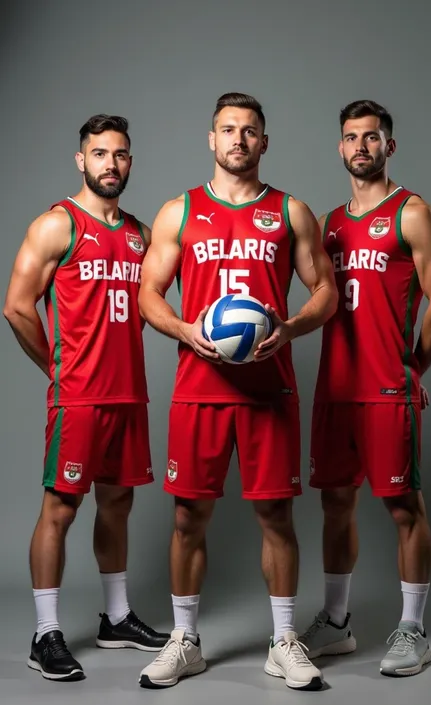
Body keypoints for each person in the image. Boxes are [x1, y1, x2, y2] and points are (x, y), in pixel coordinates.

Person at [136, 92, 338, 690]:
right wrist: (184, 329)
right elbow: (150, 293)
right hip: (199, 385)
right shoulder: (180, 211)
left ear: (264, 142)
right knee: (187, 516)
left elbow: (324, 290)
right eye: (228, 130)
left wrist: (292, 327)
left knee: (276, 515)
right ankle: (185, 640)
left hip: (269, 389)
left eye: (250, 132)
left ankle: (282, 642)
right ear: (211, 139)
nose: (239, 141)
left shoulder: (291, 211)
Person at [3, 114, 170, 682]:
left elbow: (152, 306)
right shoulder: (58, 225)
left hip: (129, 396)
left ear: (130, 161)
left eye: (120, 154)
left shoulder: (140, 234)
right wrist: (58, 367)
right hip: (78, 398)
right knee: (61, 508)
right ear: (81, 160)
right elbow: (17, 306)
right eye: (99, 154)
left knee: (118, 505)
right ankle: (45, 632)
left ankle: (117, 618)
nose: (110, 164)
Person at [300, 99, 431, 676]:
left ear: (389, 146)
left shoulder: (415, 215)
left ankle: (412, 629)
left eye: (372, 137)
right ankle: (337, 622)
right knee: (334, 503)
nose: (361, 146)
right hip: (334, 390)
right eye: (351, 138)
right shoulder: (329, 224)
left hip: (386, 390)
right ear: (340, 147)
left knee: (403, 508)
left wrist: (411, 367)